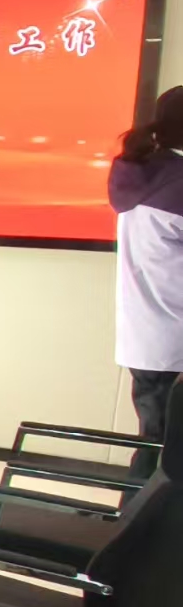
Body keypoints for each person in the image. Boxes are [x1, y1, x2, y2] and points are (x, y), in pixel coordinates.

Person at [112, 87, 183, 476]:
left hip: (147, 338)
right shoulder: (176, 182)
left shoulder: (143, 172)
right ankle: (141, 514)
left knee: (153, 445)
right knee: (167, 458)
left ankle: (135, 510)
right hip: (175, 338)